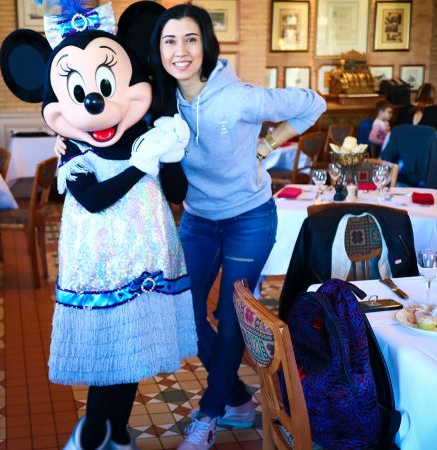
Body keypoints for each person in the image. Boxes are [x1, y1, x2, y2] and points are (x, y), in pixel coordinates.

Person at [0, 2, 197, 450]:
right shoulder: (73, 149)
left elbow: (177, 191)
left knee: (132, 357)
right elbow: (91, 200)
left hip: (147, 263)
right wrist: (139, 166)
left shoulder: (144, 131)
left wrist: (170, 147)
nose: (95, 99)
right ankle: (91, 437)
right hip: (99, 269)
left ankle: (118, 433)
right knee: (107, 358)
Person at [148, 5, 325, 449]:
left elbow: (313, 104)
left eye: (190, 39)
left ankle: (209, 415)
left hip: (249, 216)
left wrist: (268, 141)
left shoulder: (239, 96)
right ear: (159, 49)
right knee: (181, 313)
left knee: (231, 319)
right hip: (199, 218)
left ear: (206, 43)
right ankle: (237, 398)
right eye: (170, 41)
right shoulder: (161, 98)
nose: (180, 50)